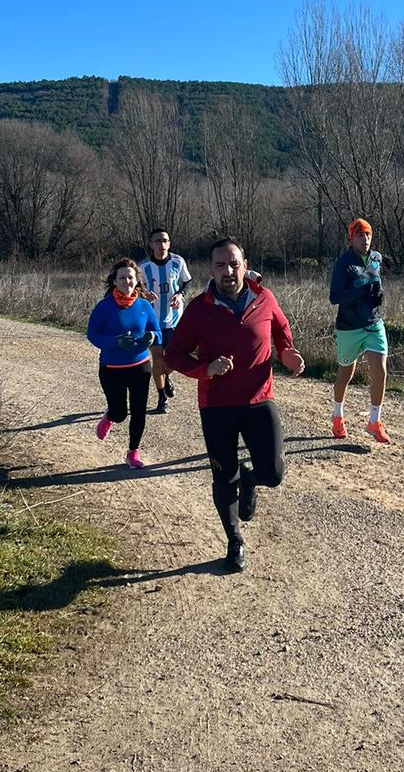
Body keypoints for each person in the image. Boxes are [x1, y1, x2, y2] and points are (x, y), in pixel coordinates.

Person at [164, 236, 304, 571]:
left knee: (274, 473)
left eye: (233, 263)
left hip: (259, 400)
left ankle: (251, 480)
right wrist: (205, 369)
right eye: (220, 265)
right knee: (223, 478)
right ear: (210, 269)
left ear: (244, 263)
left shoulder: (264, 297)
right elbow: (174, 354)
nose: (228, 270)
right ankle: (234, 541)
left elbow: (282, 331)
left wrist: (288, 353)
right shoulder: (199, 308)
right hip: (217, 406)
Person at [86, 258, 163, 470]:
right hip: (112, 368)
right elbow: (92, 334)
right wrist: (115, 342)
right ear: (114, 281)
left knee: (139, 411)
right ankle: (110, 416)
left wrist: (152, 338)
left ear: (136, 280)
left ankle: (133, 453)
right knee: (120, 412)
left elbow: (157, 332)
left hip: (140, 366)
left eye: (130, 277)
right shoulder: (104, 307)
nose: (127, 282)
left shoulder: (144, 306)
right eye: (122, 278)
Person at [329, 217, 389, 444]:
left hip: (373, 323)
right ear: (351, 238)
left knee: (380, 370)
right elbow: (334, 297)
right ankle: (337, 416)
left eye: (368, 235)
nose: (365, 239)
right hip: (348, 327)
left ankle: (374, 422)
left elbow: (375, 282)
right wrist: (361, 290)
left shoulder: (375, 258)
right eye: (360, 235)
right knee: (346, 373)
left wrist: (378, 293)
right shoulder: (344, 263)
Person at [139, 226, 192, 415]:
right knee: (158, 359)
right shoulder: (143, 267)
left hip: (175, 320)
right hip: (153, 322)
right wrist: (143, 293)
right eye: (158, 241)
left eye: (165, 241)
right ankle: (162, 398)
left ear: (169, 243)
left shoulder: (178, 262)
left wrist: (180, 294)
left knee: (175, 359)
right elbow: (135, 288)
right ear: (151, 244)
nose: (162, 244)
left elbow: (187, 281)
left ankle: (166, 377)